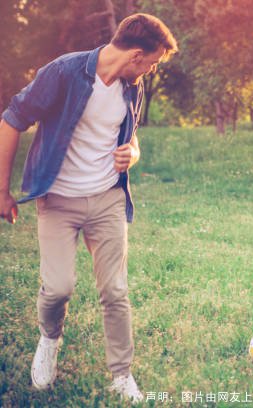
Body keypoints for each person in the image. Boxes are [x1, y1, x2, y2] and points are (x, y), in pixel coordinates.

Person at [0, 13, 177, 402]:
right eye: (152, 62)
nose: (151, 69)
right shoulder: (63, 73)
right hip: (58, 200)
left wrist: (133, 153)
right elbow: (12, 120)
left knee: (115, 289)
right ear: (135, 54)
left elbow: (132, 139)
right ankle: (49, 340)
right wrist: (2, 191)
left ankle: (121, 374)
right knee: (58, 287)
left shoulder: (133, 86)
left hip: (107, 199)